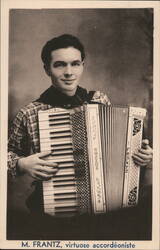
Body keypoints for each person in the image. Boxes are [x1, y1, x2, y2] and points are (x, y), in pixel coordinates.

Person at [8, 34, 153, 239]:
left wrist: (143, 156)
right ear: (47, 69)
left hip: (103, 213)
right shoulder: (30, 112)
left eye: (75, 64)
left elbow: (117, 152)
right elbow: (7, 155)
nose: (69, 72)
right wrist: (21, 163)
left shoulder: (99, 100)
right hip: (52, 217)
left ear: (82, 66)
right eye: (60, 65)